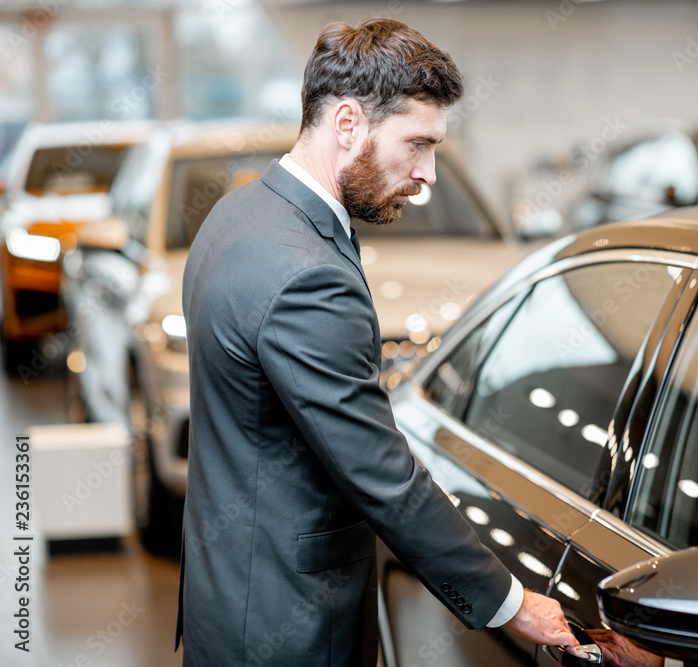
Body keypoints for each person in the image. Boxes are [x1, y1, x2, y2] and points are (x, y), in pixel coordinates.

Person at [176, 17, 586, 666]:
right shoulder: (306, 273)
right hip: (291, 626)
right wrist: (513, 601)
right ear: (347, 124)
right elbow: (381, 475)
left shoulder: (241, 216)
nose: (427, 174)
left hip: (230, 597)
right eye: (416, 144)